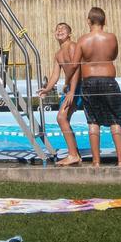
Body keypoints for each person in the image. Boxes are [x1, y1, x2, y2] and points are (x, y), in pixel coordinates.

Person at [64, 7, 121, 167]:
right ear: (104, 21)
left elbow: (74, 65)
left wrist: (66, 80)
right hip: (108, 80)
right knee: (115, 120)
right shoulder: (111, 38)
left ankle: (96, 161)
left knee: (93, 121)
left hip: (89, 82)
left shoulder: (82, 40)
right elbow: (113, 56)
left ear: (88, 21)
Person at [38, 22, 83, 166]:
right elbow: (55, 75)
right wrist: (47, 89)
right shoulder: (58, 54)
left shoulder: (72, 46)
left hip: (78, 87)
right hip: (71, 88)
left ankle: (73, 155)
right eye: (57, 29)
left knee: (61, 117)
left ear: (69, 33)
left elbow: (77, 69)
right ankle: (75, 153)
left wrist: (72, 90)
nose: (60, 30)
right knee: (65, 119)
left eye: (63, 28)